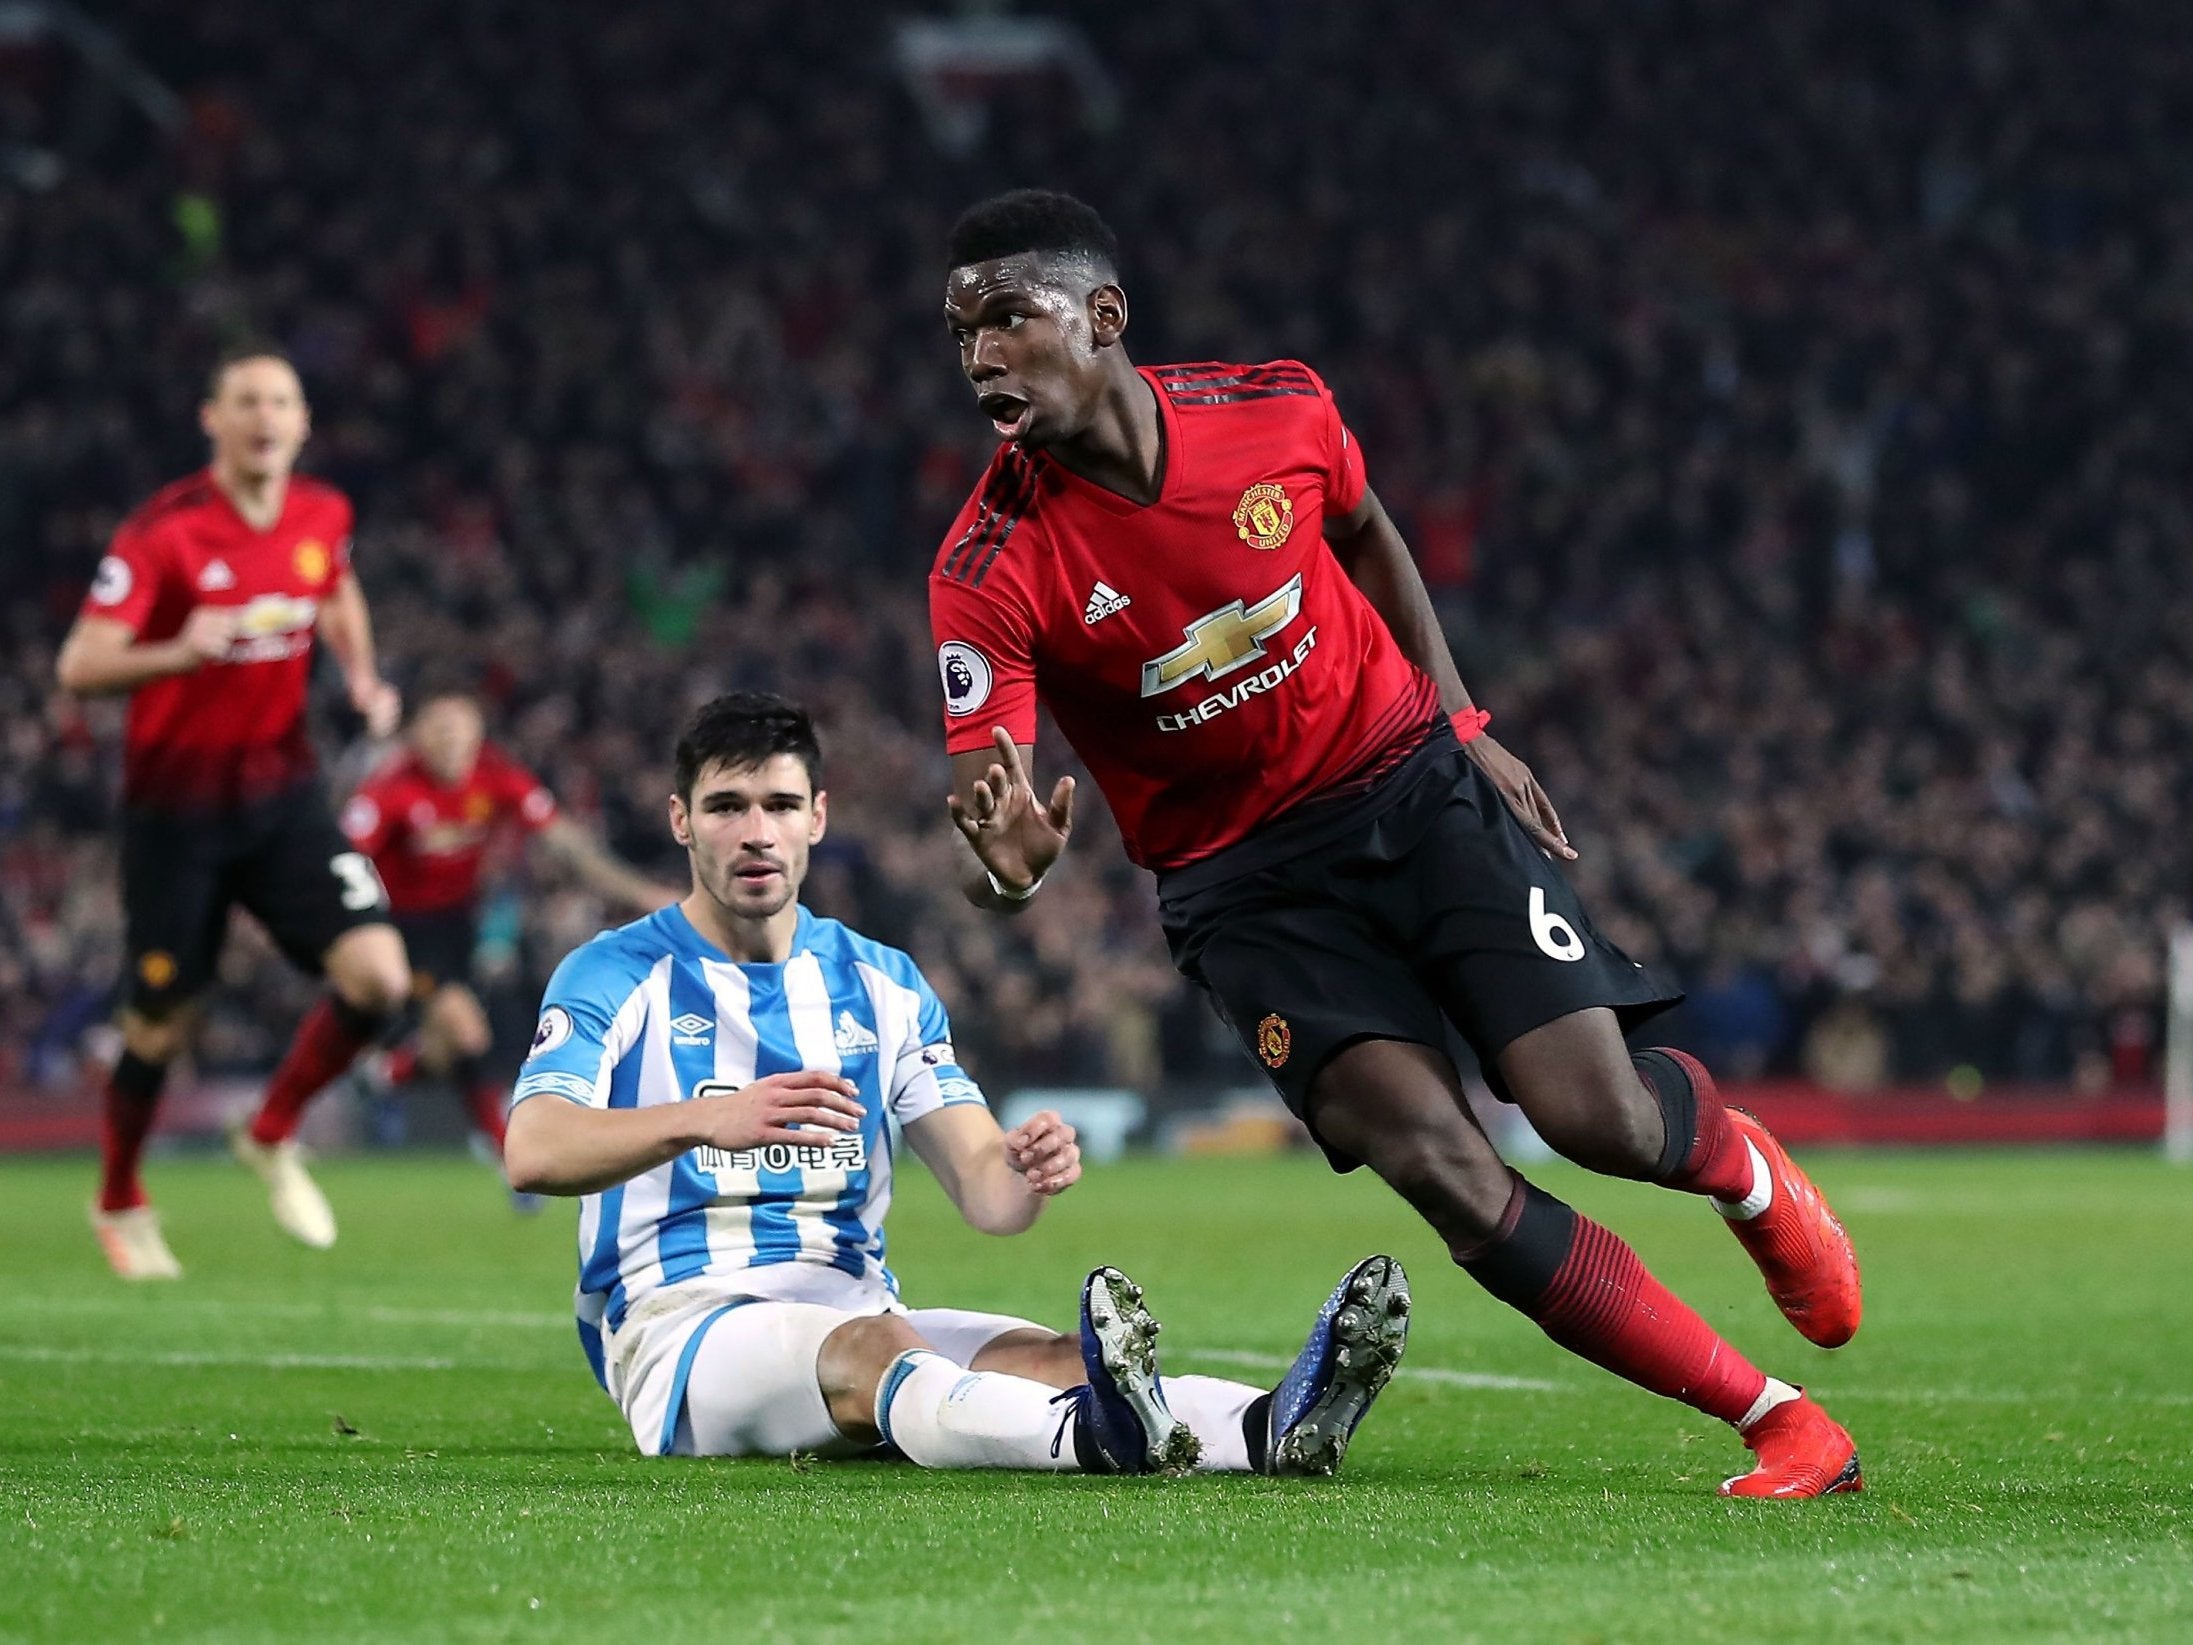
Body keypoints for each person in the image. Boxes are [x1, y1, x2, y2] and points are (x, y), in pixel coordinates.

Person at [925, 190, 1865, 1499]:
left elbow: (1363, 530)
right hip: (1245, 892)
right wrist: (1006, 869)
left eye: (1007, 318)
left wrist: (1464, 718)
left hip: (1407, 791)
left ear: (1103, 316)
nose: (979, 354)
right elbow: (991, 798)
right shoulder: (987, 563)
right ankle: (1777, 1420)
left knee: (1593, 1117)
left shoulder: (1277, 410)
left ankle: (1742, 1171)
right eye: (961, 330)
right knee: (1449, 1176)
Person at [503, 691, 1412, 1473]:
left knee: (1051, 1355)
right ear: (679, 819)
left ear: (817, 816)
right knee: (884, 1351)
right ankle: (1091, 1440)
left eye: (778, 804)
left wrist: (1025, 1167)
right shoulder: (613, 972)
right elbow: (533, 1149)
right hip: (683, 1323)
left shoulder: (879, 981)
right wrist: (706, 1122)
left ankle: (1269, 1425)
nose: (754, 831)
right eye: (725, 805)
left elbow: (987, 1195)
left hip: (855, 1301)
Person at [55, 347, 412, 1278]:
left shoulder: (321, 514)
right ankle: (121, 1197)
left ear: (302, 423)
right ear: (211, 418)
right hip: (175, 817)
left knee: (380, 979)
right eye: (246, 401)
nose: (265, 417)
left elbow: (334, 585)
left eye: (281, 402)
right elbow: (81, 665)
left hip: (281, 796)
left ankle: (271, 1129)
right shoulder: (163, 533)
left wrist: (364, 675)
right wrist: (176, 650)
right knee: (159, 1025)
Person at [339, 681, 677, 1175]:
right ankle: (503, 1150)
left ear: (477, 733)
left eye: (462, 728)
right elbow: (345, 857)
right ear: (416, 735)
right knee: (467, 1032)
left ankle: (389, 1074)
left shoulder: (495, 774)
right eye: (440, 728)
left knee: (457, 1046)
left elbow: (564, 842)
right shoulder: (390, 789)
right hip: (401, 928)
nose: (452, 740)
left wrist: (640, 893)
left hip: (461, 923)